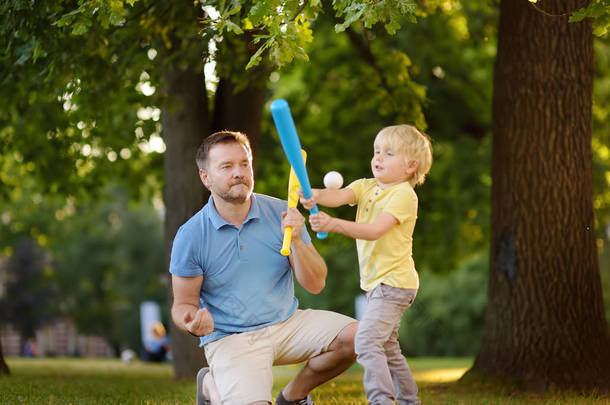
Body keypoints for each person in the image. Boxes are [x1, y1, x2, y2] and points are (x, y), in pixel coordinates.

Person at [169, 131, 358, 405]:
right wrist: (191, 322)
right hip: (232, 339)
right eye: (226, 166)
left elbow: (316, 284)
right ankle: (210, 383)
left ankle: (292, 397)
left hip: (288, 324)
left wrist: (296, 241)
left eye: (244, 164)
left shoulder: (281, 212)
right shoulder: (191, 235)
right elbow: (182, 304)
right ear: (205, 177)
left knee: (358, 337)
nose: (239, 173)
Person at [300, 124, 433, 405]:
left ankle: (381, 400)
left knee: (366, 342)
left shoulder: (403, 196)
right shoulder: (366, 186)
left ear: (411, 166)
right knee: (387, 348)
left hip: (394, 284)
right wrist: (313, 194)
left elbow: (374, 230)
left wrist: (333, 224)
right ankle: (410, 400)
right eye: (376, 152)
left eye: (388, 153)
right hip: (378, 285)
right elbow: (338, 196)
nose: (378, 158)